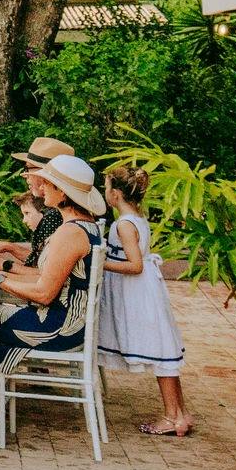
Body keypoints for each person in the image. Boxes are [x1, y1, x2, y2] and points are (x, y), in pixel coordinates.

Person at [0, 152, 104, 379]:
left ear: (62, 191)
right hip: (69, 324)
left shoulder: (70, 232)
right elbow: (46, 277)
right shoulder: (85, 225)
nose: (42, 187)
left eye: (47, 182)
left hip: (55, 328)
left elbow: (44, 293)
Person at [97, 166, 192, 436]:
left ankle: (172, 416)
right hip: (146, 288)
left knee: (159, 350)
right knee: (164, 349)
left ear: (115, 194)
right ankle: (180, 413)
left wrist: (101, 263)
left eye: (106, 188)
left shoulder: (123, 224)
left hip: (138, 292)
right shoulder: (137, 218)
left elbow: (135, 265)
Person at [0, 137, 75, 271]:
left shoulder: (55, 216)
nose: (24, 175)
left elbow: (42, 277)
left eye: (27, 169)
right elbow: (41, 260)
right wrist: (8, 247)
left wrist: (0, 265)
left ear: (46, 174)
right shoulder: (62, 211)